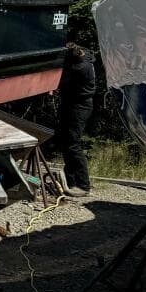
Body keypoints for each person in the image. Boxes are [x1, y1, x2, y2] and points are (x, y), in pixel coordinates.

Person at [55, 42, 95, 197]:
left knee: (73, 144)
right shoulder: (86, 57)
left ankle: (83, 185)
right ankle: (71, 180)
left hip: (79, 106)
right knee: (67, 142)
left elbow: (61, 81)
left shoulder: (79, 68)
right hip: (74, 103)